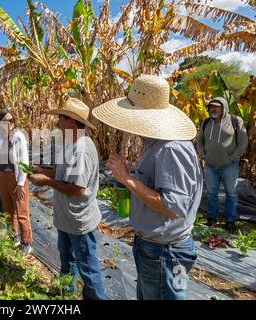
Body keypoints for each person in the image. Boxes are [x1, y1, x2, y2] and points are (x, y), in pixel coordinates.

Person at [92, 74, 202, 300]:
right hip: (155, 248)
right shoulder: (157, 144)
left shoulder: (171, 148)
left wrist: (127, 179)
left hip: (165, 253)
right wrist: (131, 182)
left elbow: (174, 207)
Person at [29, 98, 106, 300]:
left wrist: (46, 181)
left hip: (79, 221)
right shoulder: (70, 143)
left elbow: (78, 188)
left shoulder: (81, 149)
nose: (57, 122)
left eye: (61, 118)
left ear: (72, 122)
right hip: (66, 218)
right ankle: (66, 293)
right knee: (67, 260)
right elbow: (64, 174)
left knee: (88, 270)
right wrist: (43, 170)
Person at [197, 97, 248, 234]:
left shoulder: (235, 121)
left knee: (231, 193)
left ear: (224, 108)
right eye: (211, 107)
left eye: (216, 107)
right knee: (212, 193)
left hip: (229, 165)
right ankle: (212, 218)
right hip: (210, 165)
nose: (213, 109)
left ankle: (230, 221)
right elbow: (200, 140)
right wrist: (203, 154)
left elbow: (243, 143)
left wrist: (232, 158)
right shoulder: (207, 122)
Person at [0, 109, 33, 255]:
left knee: (21, 211)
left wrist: (20, 182)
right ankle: (14, 236)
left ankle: (26, 242)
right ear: (0, 123)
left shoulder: (18, 136)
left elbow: (24, 160)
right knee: (8, 210)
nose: (10, 123)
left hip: (16, 179)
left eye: (12, 121)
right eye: (6, 121)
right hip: (2, 177)